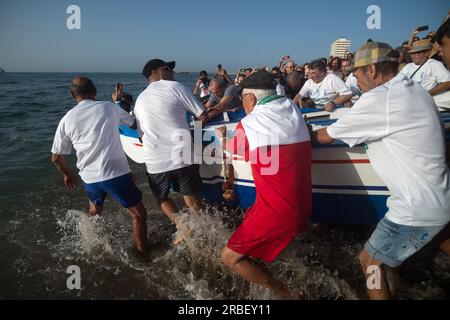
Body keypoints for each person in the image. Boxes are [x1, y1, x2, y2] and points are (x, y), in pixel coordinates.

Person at [311, 42, 450, 300]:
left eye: (357, 73)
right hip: (441, 196)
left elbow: (324, 137)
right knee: (437, 233)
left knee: (370, 262)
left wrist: (292, 137)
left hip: (415, 206)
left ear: (372, 70)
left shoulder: (378, 99)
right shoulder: (416, 90)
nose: (354, 79)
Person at [215, 71, 312, 299]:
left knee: (228, 258)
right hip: (303, 206)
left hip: (277, 212)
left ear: (251, 99)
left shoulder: (248, 124)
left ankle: (289, 294)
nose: (243, 105)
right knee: (249, 219)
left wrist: (221, 138)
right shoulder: (293, 110)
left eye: (243, 100)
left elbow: (234, 148)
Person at [51, 77, 149, 255]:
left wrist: (68, 175)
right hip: (115, 174)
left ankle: (90, 246)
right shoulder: (110, 107)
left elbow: (56, 158)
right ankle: (143, 253)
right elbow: (134, 123)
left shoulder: (67, 119)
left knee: (95, 212)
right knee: (139, 214)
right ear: (94, 91)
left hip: (89, 178)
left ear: (73, 95)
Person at [134, 59, 208, 242]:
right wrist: (195, 141)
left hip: (155, 159)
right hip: (181, 153)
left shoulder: (140, 99)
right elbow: (202, 115)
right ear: (155, 73)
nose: (172, 72)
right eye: (167, 68)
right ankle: (205, 233)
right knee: (191, 196)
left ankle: (181, 226)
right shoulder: (175, 86)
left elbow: (140, 135)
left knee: (161, 197)